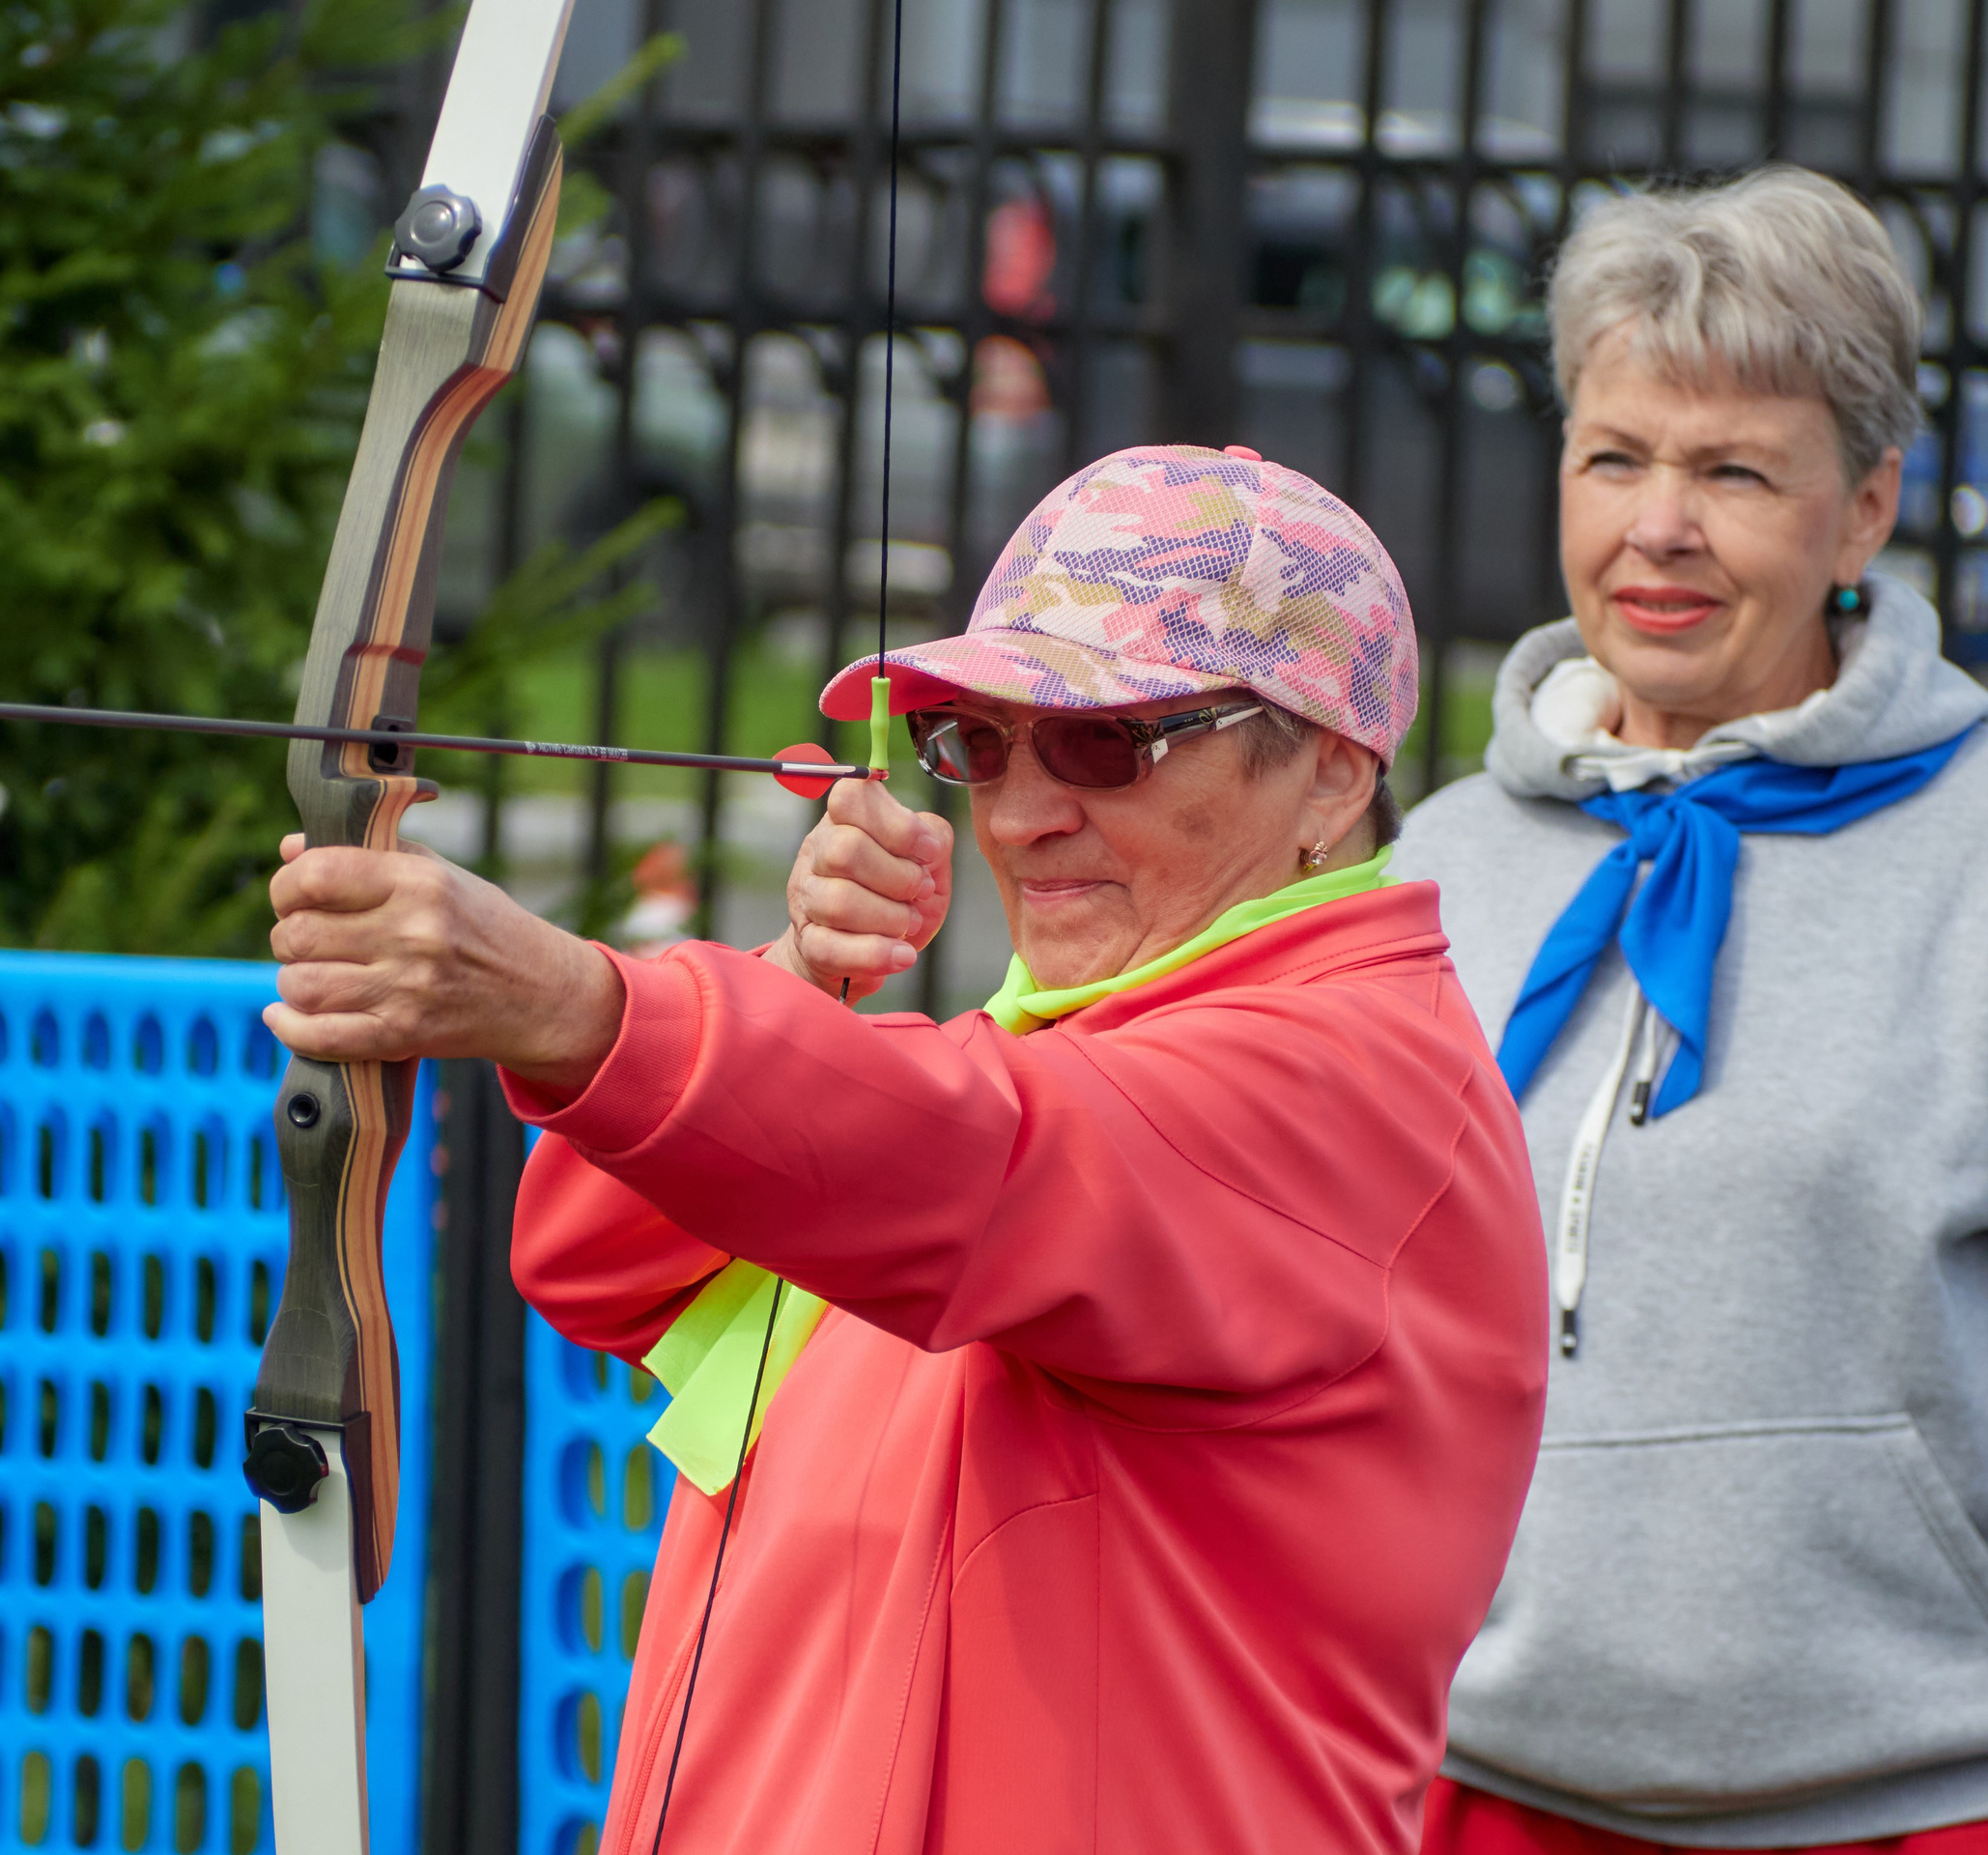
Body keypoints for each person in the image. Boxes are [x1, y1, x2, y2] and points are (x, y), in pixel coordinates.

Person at [266, 445, 1548, 1852]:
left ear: (1330, 772)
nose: (1016, 812)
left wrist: (577, 1006)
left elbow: (981, 1162)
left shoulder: (1353, 1083)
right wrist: (796, 975)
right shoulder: (1061, 1061)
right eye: (977, 745)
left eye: (1106, 742)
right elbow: (595, 1258)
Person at [1394, 168, 1988, 1853]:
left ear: (1865, 509)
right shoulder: (1435, 863)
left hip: (1913, 1804)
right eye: (1616, 457)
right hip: (1472, 1785)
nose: (1658, 526)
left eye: (1734, 470)